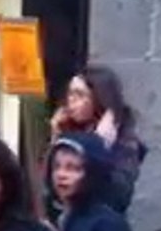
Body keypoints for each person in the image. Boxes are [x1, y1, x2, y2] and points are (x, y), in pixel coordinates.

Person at [50, 65, 146, 213]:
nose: (71, 101)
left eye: (79, 95)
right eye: (69, 94)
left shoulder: (124, 142)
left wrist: (100, 145)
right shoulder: (69, 131)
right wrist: (55, 137)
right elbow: (49, 191)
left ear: (99, 99)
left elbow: (120, 195)